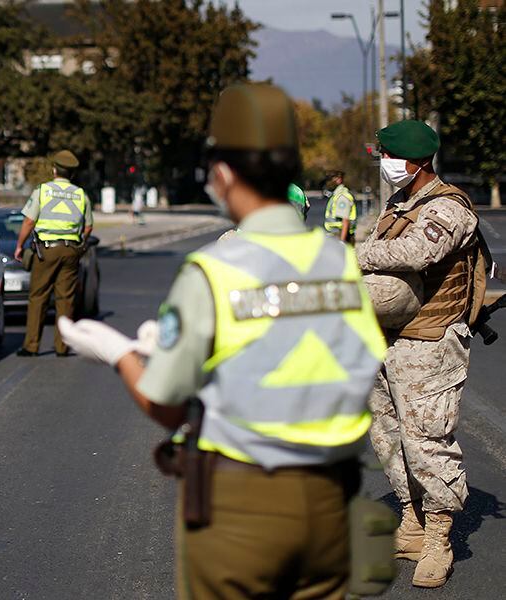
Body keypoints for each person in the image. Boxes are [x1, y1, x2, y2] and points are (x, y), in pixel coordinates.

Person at [58, 84, 386, 599]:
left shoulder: (214, 270)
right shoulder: (339, 261)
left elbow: (165, 405)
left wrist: (119, 355)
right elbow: (358, 365)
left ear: (225, 174)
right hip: (330, 501)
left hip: (241, 506)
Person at [358, 119, 484, 588]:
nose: (386, 166)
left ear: (417, 161)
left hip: (429, 343)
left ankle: (439, 540)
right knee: (388, 436)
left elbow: (415, 253)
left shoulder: (450, 209)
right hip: (387, 338)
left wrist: (356, 259)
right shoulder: (398, 204)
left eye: (391, 158)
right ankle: (411, 522)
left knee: (427, 440)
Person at [13, 150, 93, 357]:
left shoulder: (42, 191)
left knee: (39, 296)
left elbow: (29, 221)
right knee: (65, 299)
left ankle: (32, 345)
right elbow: (88, 227)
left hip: (45, 251)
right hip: (71, 250)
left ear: (54, 169)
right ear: (72, 174)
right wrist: (80, 244)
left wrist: (20, 245)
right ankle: (62, 346)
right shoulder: (81, 195)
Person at [323, 170, 356, 242]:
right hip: (336, 235)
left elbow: (345, 220)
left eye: (330, 179)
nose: (327, 183)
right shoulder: (336, 195)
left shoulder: (342, 196)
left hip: (340, 236)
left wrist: (342, 242)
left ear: (339, 180)